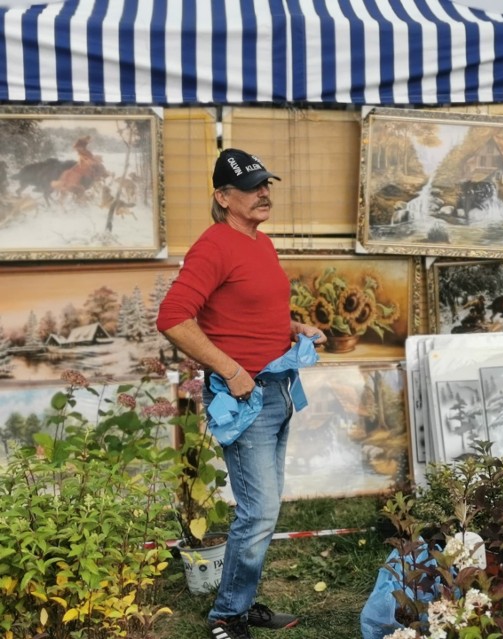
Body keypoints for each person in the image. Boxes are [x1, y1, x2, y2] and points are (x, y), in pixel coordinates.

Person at [157, 148, 327, 639]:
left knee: (264, 510)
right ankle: (226, 616)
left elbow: (254, 311)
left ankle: (241, 602)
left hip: (279, 389)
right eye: (252, 187)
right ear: (222, 197)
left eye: (265, 184)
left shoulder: (261, 243)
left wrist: (296, 328)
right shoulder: (214, 246)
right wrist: (230, 370)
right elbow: (172, 317)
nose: (263, 193)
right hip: (245, 397)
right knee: (259, 512)